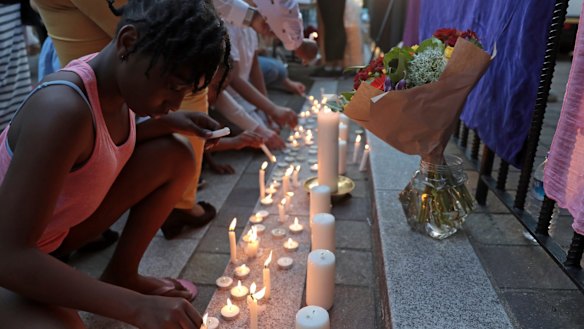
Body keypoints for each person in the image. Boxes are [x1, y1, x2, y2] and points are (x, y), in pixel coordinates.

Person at [0, 1, 230, 328]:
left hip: (52, 236)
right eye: (174, 87)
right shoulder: (61, 111)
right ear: (128, 42)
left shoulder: (115, 84)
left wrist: (173, 121)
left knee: (175, 155)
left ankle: (122, 274)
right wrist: (135, 308)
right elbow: (8, 256)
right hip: (12, 257)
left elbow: (104, 144)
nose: (175, 102)